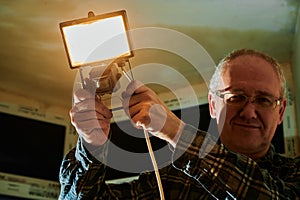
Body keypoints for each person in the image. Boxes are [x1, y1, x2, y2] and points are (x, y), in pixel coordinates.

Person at [59, 49, 300, 199]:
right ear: (213, 105)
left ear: (280, 112)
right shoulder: (171, 181)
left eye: (264, 100)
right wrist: (91, 146)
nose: (249, 112)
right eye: (235, 97)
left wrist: (175, 131)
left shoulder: (295, 174)